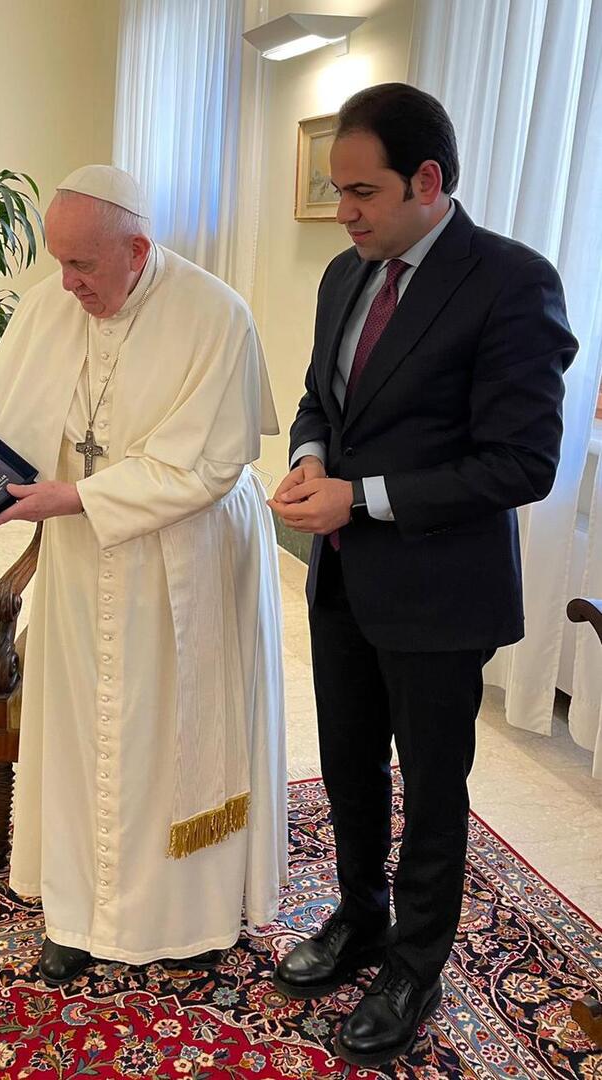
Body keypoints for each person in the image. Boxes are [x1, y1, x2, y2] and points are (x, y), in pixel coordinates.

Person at [269, 83, 577, 1068]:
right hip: (344, 585)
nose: (345, 210)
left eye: (361, 190)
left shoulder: (510, 282)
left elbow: (520, 464)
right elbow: (320, 397)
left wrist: (360, 499)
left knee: (432, 789)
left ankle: (414, 964)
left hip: (441, 594)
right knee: (349, 766)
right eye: (337, 189)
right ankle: (357, 919)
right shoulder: (341, 275)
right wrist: (314, 457)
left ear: (428, 180)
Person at [0, 164, 287, 985]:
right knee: (83, 725)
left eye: (84, 266)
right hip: (82, 552)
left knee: (173, 728)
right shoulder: (53, 304)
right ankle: (76, 911)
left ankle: (191, 912)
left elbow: (213, 463)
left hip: (186, 554)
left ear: (139, 248)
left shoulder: (215, 314)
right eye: (59, 262)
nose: (67, 284)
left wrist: (75, 494)